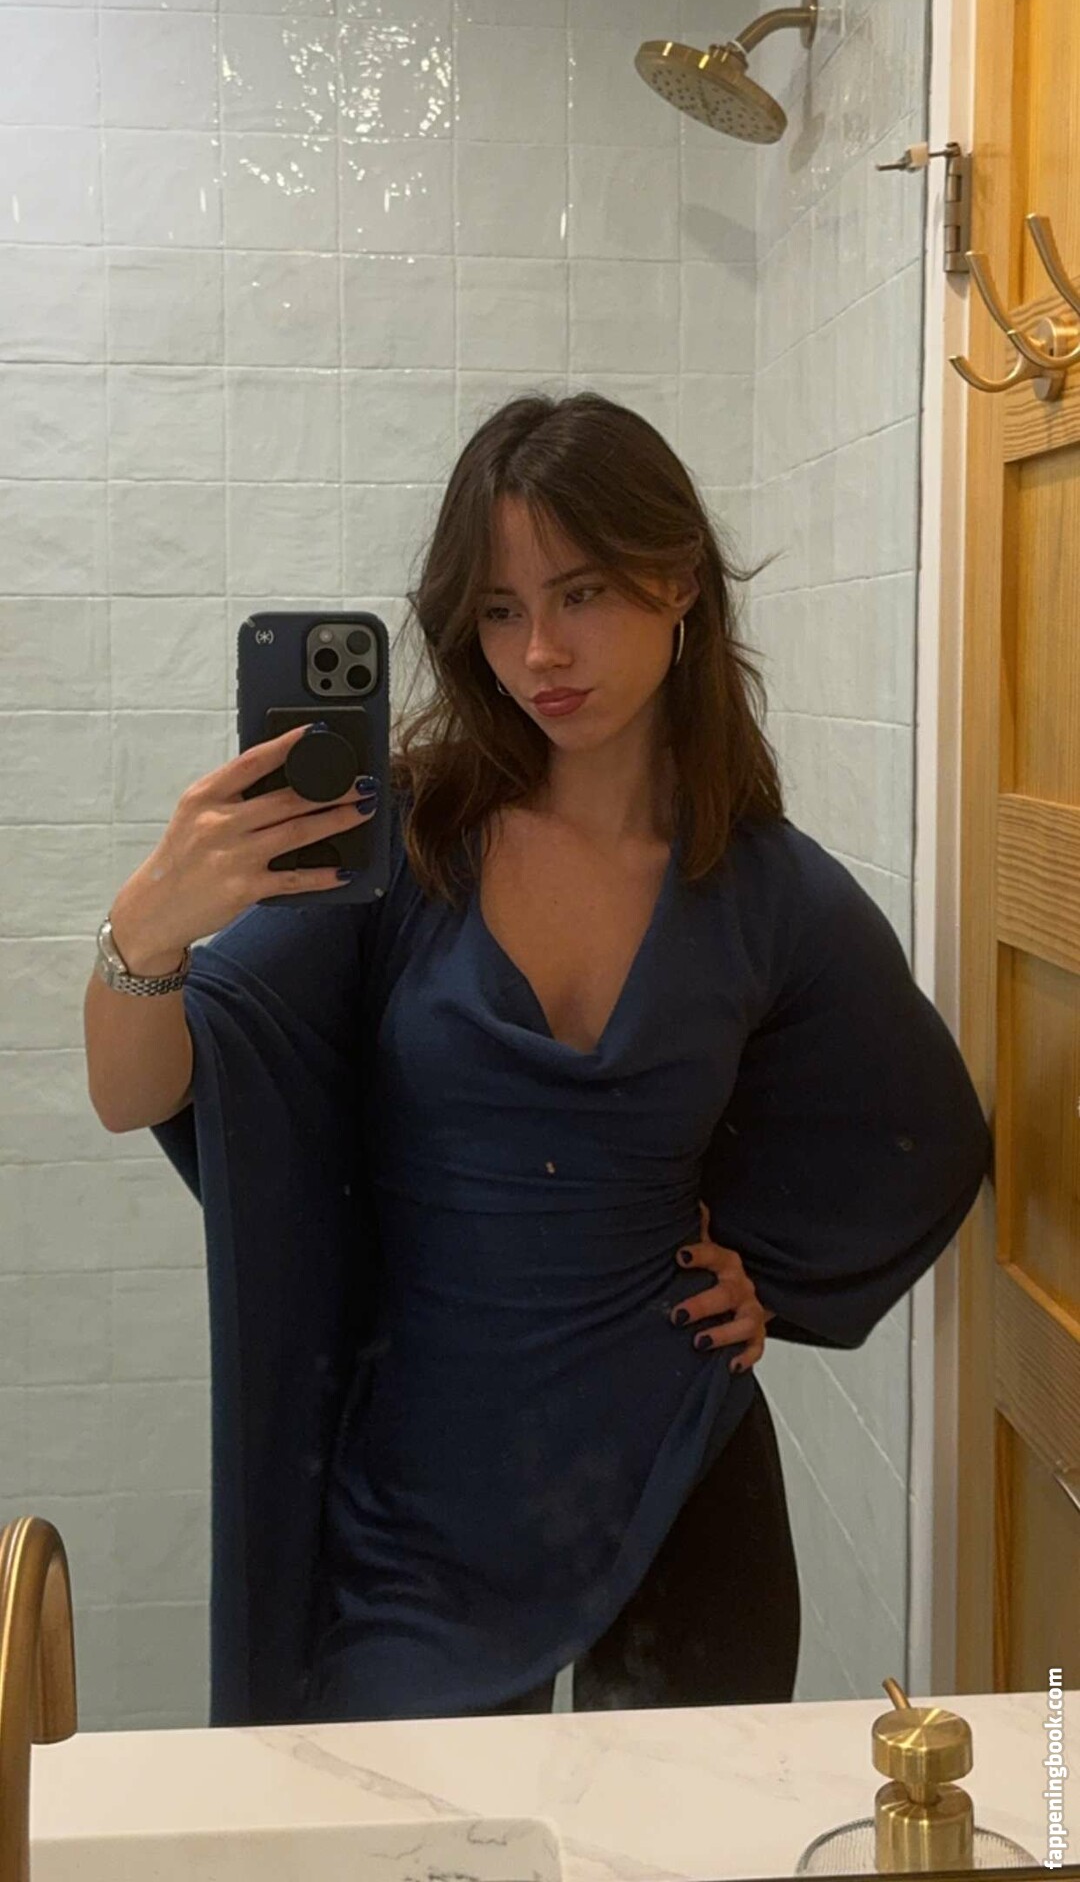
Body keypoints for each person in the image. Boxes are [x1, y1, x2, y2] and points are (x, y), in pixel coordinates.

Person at [84, 392, 992, 1728]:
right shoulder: (404, 847)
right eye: (500, 610)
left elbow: (925, 1132)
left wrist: (773, 1273)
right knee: (403, 1826)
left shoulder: (766, 888)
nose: (540, 652)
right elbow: (134, 1093)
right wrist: (148, 929)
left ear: (679, 581)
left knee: (691, 1830)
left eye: (581, 593)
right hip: (420, 1506)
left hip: (682, 1477)